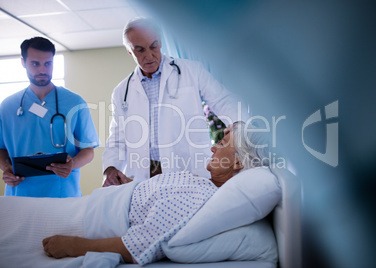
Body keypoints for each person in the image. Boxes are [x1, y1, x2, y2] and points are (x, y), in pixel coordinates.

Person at [42, 122, 270, 265]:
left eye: (221, 142)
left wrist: (73, 246)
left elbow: (137, 246)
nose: (213, 147)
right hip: (96, 204)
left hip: (82, 218)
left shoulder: (201, 197)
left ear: (238, 162)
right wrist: (130, 185)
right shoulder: (202, 185)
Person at [102, 17, 249, 186]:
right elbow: (117, 138)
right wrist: (110, 168)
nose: (149, 56)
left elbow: (223, 100)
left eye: (153, 46)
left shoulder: (192, 71)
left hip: (188, 169)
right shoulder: (122, 92)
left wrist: (238, 124)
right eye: (140, 50)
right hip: (145, 176)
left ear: (161, 43)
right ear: (129, 51)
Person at [0, 37, 100, 197]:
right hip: (20, 194)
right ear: (23, 62)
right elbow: (1, 149)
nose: (42, 70)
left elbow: (88, 150)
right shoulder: (7, 106)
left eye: (48, 63)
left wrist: (72, 164)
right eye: (35, 64)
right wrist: (6, 169)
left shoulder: (75, 102)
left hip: (62, 194)